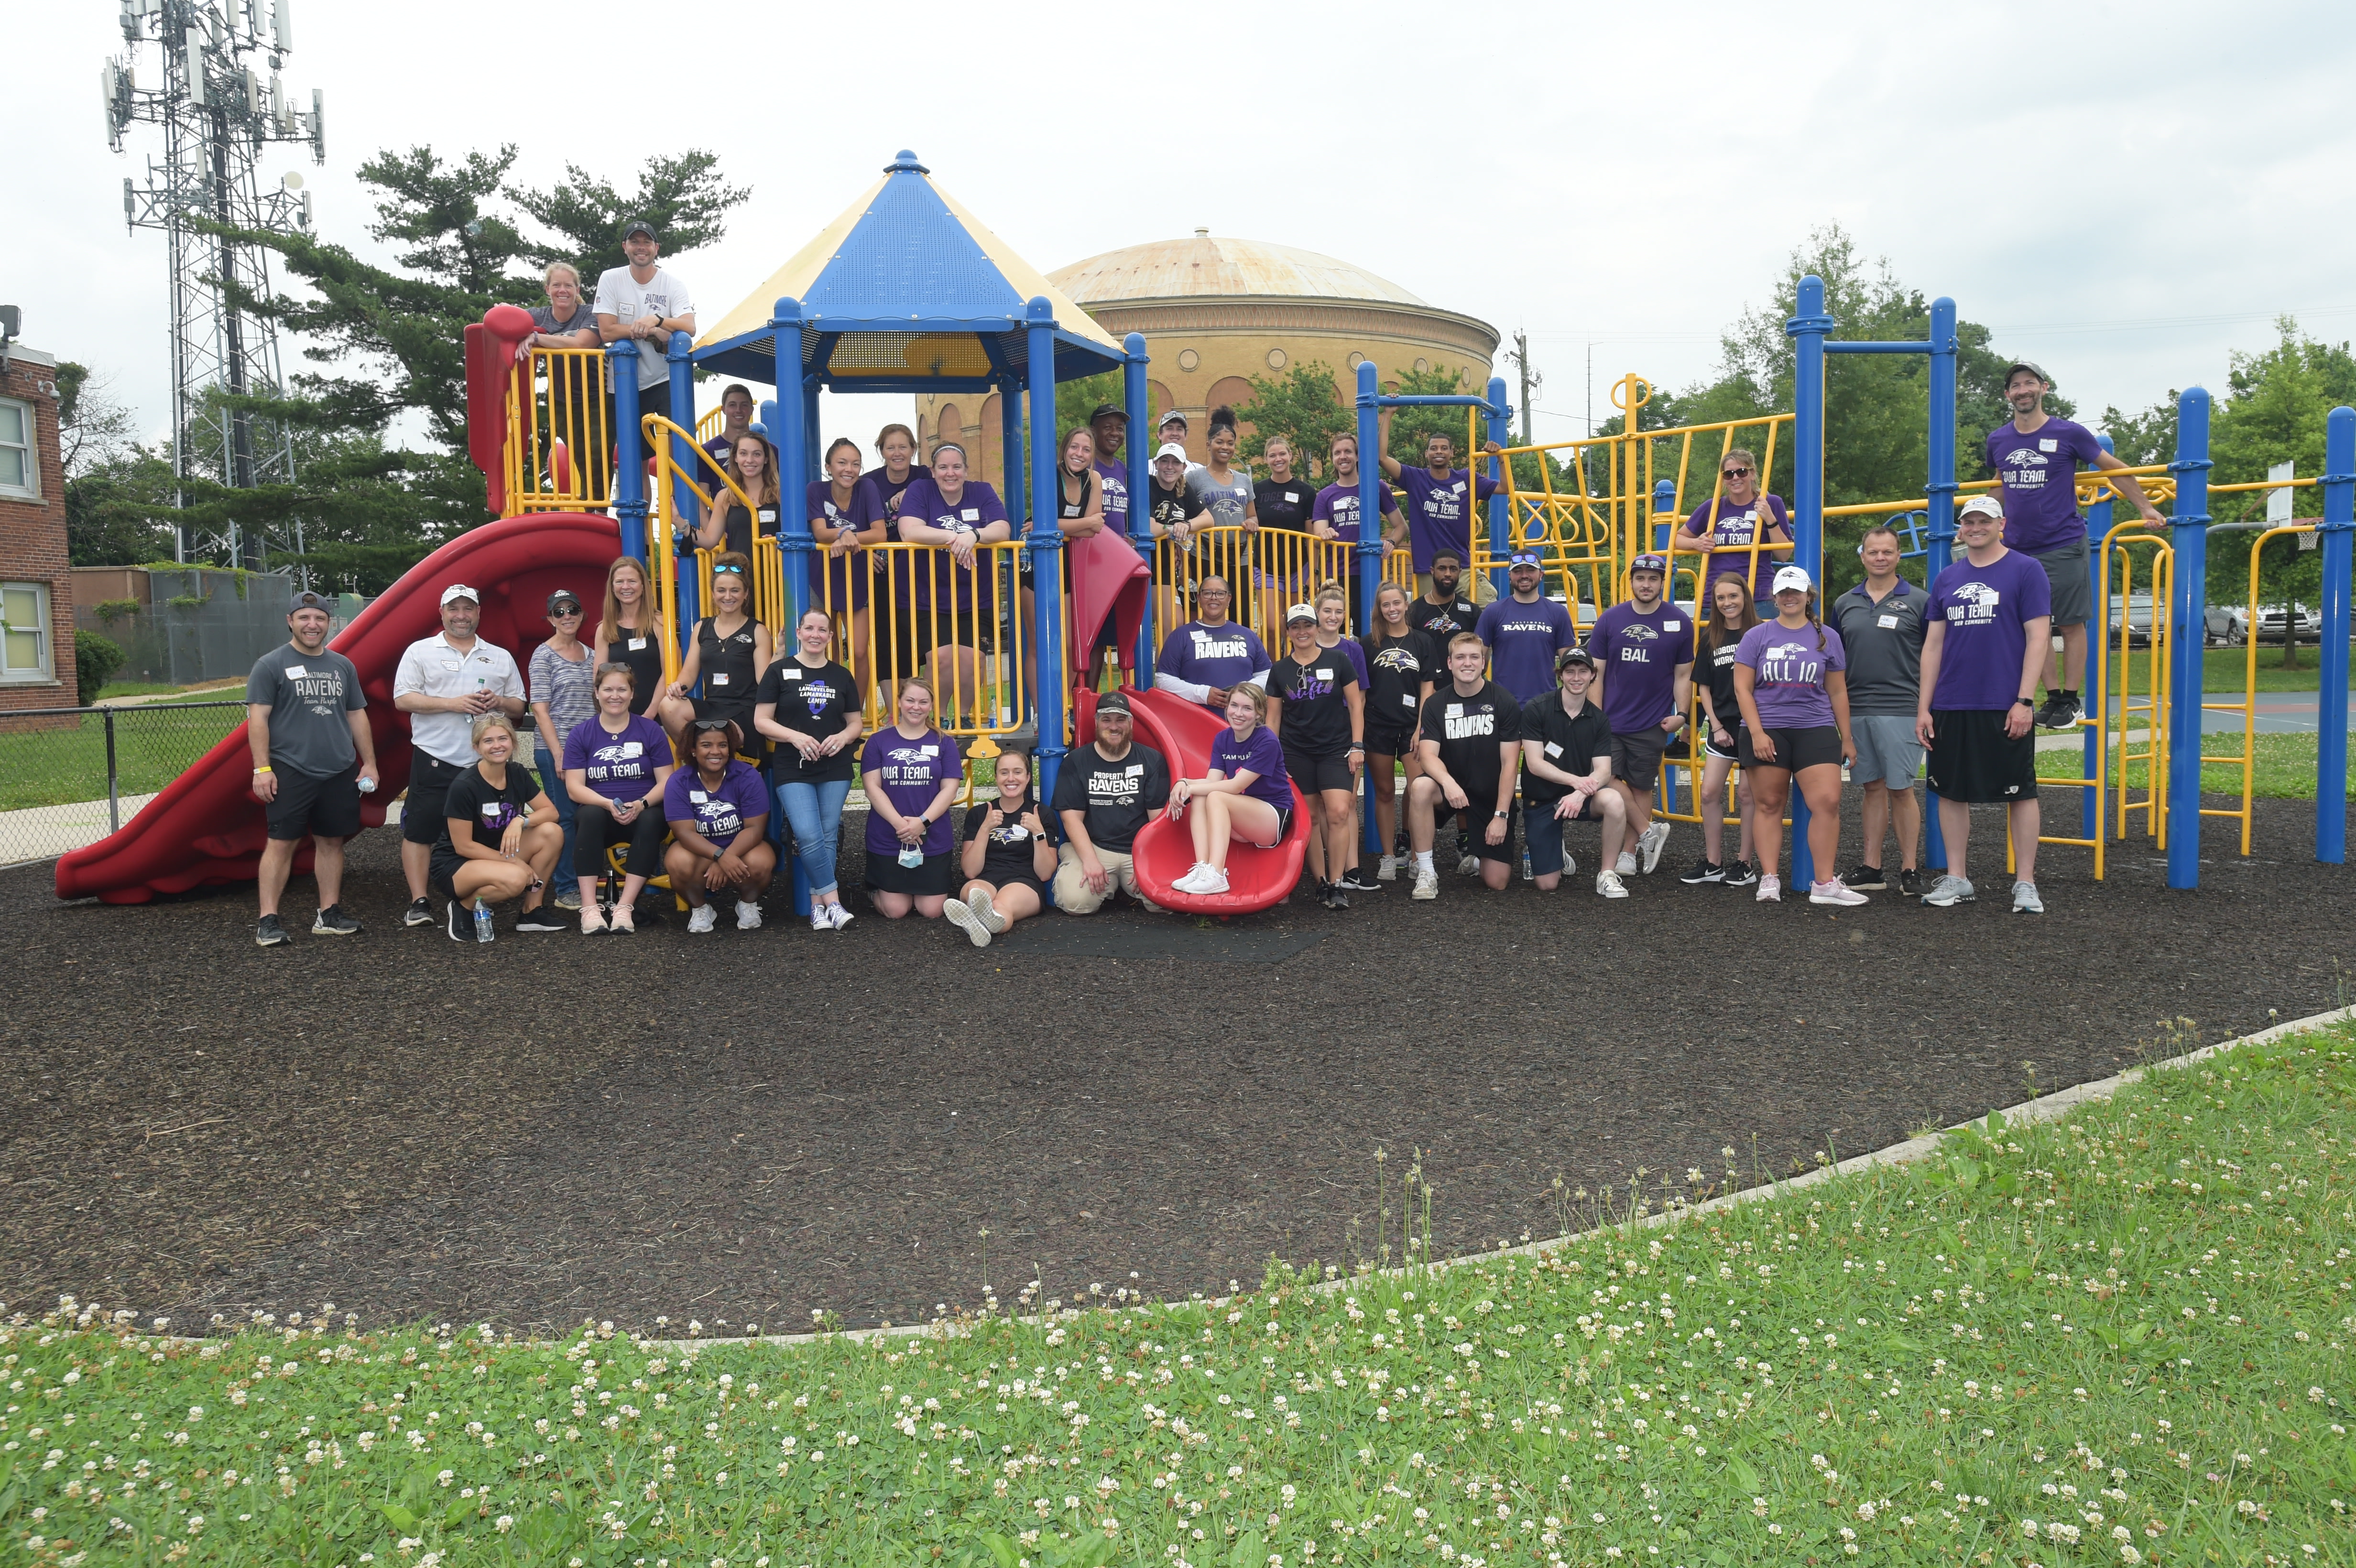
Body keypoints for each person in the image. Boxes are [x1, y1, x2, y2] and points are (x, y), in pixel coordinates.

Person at [1986, 361, 2165, 730]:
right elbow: (1999, 484)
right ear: (2008, 395)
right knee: (2033, 625)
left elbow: (2115, 468)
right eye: (2016, 386)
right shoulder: (1999, 440)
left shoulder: (2068, 433)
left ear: (2044, 388)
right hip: (2018, 548)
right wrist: (1976, 521)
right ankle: (2053, 698)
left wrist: (2145, 506)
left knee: (2068, 622)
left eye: (2029, 384)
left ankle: (2071, 698)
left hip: (2061, 542)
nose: (2023, 390)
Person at [1916, 494, 2053, 912]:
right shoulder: (1947, 579)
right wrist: (1924, 707)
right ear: (1961, 528)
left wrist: (2025, 700)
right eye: (1969, 521)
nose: (1976, 527)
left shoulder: (2026, 570)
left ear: (2001, 524)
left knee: (2020, 792)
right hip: (1952, 702)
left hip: (2003, 701)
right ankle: (1958, 878)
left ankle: (2025, 882)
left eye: (1984, 521)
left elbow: (2039, 638)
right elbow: (1933, 645)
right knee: (1951, 792)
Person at [247, 588, 378, 945]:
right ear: (290, 621)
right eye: (304, 618)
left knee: (332, 842)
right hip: (291, 768)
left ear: (328, 623)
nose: (312, 624)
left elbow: (356, 715)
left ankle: (329, 913)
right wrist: (263, 769)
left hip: (338, 769)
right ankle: (268, 920)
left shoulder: (342, 665)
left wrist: (369, 763)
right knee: (281, 842)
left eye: (319, 618)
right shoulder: (271, 665)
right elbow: (257, 719)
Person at [392, 584, 528, 929]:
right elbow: (403, 699)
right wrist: (452, 704)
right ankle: (419, 901)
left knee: (484, 832)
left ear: (479, 613)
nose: (461, 616)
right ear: (442, 613)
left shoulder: (498, 656)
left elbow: (518, 705)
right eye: (454, 609)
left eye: (468, 609)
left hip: (484, 766)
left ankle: (477, 893)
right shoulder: (420, 651)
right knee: (421, 830)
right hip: (436, 757)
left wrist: (496, 701)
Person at [1734, 566, 1863, 906]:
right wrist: (1758, 733)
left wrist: (1846, 737)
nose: (1790, 597)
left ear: (1809, 596)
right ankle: (1770, 878)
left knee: (1828, 802)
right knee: (1769, 803)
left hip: (1815, 727)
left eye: (1796, 591)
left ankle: (1823, 883)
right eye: (1783, 592)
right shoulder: (1756, 637)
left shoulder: (1827, 637)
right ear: (1774, 598)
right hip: (1768, 728)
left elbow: (1837, 692)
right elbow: (1743, 689)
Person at [1830, 523, 1934, 896]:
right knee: (1871, 788)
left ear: (1898, 555)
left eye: (1887, 551)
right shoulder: (1845, 603)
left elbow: (1935, 655)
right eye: (1873, 552)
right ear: (1862, 556)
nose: (1880, 558)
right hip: (1856, 709)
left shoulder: (1920, 601)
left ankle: (1909, 868)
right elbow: (1833, 659)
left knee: (1901, 788)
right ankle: (1872, 867)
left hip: (1902, 707)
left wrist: (1928, 707)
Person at [1583, 552, 1693, 878]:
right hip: (1611, 721)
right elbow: (1596, 674)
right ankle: (1649, 831)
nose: (1647, 584)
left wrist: (1683, 715)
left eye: (1653, 579)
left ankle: (1629, 853)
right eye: (1641, 578)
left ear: (1663, 582)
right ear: (1630, 581)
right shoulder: (1610, 620)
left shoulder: (1678, 622)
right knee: (1606, 779)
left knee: (1641, 786)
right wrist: (1596, 717)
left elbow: (1683, 676)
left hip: (1652, 721)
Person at [757, 607, 865, 932]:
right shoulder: (779, 671)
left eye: (823, 630)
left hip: (835, 765)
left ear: (831, 637)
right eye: (810, 629)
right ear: (799, 633)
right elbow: (761, 721)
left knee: (828, 834)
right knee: (807, 833)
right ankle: (833, 900)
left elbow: (855, 722)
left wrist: (843, 737)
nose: (816, 635)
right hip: (793, 764)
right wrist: (796, 737)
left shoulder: (842, 675)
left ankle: (818, 907)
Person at [894, 442, 1011, 723]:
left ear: (966, 470)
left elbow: (1003, 527)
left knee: (974, 659)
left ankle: (964, 716)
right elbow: (909, 530)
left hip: (976, 595)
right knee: (941, 658)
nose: (951, 473)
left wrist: (975, 535)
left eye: (957, 467)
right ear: (933, 471)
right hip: (928, 595)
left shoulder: (981, 491)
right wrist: (958, 537)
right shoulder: (920, 490)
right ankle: (941, 718)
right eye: (943, 467)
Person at [430, 712, 567, 942]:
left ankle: (531, 911)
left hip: (498, 853)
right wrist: (513, 861)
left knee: (552, 833)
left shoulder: (517, 774)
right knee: (515, 879)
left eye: (503, 739)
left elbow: (551, 813)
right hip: (457, 864)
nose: (497, 746)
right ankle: (464, 905)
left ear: (513, 743)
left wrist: (520, 821)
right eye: (488, 741)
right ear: (476, 748)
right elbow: (463, 846)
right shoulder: (465, 786)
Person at [563, 663, 677, 934]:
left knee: (652, 818)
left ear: (632, 693)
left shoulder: (650, 730)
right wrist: (606, 804)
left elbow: (667, 781)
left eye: (622, 690)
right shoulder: (582, 734)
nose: (615, 696)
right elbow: (574, 788)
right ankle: (590, 909)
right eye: (608, 689)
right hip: (602, 816)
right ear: (597, 692)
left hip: (643, 811)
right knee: (588, 814)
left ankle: (624, 907)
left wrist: (641, 804)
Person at [1406, 632, 1521, 899]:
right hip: (1451, 789)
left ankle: (1478, 857)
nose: (1467, 663)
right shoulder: (1435, 704)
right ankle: (1425, 872)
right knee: (1420, 787)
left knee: (1497, 882)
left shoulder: (1503, 701)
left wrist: (1501, 816)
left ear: (1484, 663)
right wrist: (1448, 784)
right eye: (1460, 657)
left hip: (1490, 796)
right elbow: (1428, 756)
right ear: (1449, 663)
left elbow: (1510, 765)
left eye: (1474, 657)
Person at [1267, 603, 1366, 909]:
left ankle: (1338, 883)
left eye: (1307, 626)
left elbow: (1356, 705)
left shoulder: (1338, 660)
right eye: (1296, 627)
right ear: (1288, 632)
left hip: (1336, 749)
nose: (1302, 632)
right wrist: (1274, 759)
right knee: (1309, 817)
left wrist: (1358, 745)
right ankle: (1321, 881)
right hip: (1296, 752)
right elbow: (1273, 719)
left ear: (1316, 628)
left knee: (1338, 812)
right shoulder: (1279, 669)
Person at [1050, 689, 1171, 914]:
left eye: (1120, 720)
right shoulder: (1077, 761)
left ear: (1131, 723)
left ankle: (1122, 885)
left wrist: (1148, 861)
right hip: (1095, 847)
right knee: (1075, 902)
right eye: (1106, 720)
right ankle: (1110, 884)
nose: (1113, 727)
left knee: (1166, 901)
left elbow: (1158, 821)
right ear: (1097, 722)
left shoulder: (1152, 760)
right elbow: (1071, 819)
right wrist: (1090, 861)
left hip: (1137, 849)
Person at [1518, 647, 1627, 896]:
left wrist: (1579, 793)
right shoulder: (1537, 708)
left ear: (1592, 675)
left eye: (1583, 671)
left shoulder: (1599, 720)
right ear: (1561, 676)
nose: (1576, 678)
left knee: (1614, 800)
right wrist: (1578, 782)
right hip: (1542, 800)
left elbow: (1603, 770)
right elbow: (1535, 763)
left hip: (1581, 798)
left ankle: (1607, 874)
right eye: (1570, 672)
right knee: (1547, 885)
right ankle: (1557, 853)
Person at [1165, 685, 1294, 895]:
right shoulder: (1223, 739)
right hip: (1244, 817)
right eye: (1234, 705)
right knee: (1202, 795)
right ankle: (1203, 868)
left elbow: (1236, 786)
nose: (1238, 713)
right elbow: (1212, 781)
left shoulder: (1267, 740)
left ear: (1259, 713)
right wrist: (1185, 783)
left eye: (1247, 708)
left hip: (1273, 817)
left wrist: (1191, 786)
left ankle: (1217, 874)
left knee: (1214, 796)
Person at [1678, 573, 1761, 887]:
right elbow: (1705, 688)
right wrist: (1715, 725)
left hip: (1754, 726)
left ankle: (1745, 863)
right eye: (1722, 598)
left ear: (1745, 598)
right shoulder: (1710, 637)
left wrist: (1756, 728)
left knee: (1747, 795)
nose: (1728, 603)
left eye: (1733, 596)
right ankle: (1713, 863)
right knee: (1710, 792)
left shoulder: (1760, 632)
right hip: (1722, 726)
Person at [862, 677, 965, 919]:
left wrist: (922, 823)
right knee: (896, 911)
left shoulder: (944, 742)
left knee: (932, 911)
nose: (916, 707)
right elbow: (872, 788)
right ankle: (875, 891)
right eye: (910, 700)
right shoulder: (878, 742)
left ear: (931, 706)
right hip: (889, 837)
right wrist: (902, 826)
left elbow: (949, 790)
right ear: (898, 702)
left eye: (923, 702)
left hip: (931, 836)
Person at [663, 719, 775, 933]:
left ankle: (748, 904)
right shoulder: (679, 781)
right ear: (693, 750)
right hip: (699, 849)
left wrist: (727, 856)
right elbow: (684, 832)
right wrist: (719, 856)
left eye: (722, 745)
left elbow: (755, 829)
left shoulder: (747, 775)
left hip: (741, 847)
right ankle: (701, 908)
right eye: (706, 745)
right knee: (677, 862)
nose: (716, 752)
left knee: (761, 862)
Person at [1362, 582, 1439, 882]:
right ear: (1379, 609)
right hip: (1378, 726)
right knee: (1383, 792)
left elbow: (1427, 688)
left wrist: (1422, 728)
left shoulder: (1422, 642)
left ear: (1406, 605)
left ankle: (1420, 856)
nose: (1392, 609)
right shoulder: (1368, 644)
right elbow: (1363, 692)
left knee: (1417, 788)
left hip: (1412, 726)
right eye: (1386, 605)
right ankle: (1389, 857)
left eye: (1397, 603)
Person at [1376, 415, 1504, 596]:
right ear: (1426, 453)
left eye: (1444, 448)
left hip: (1462, 567)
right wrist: (1388, 414)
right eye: (1434, 448)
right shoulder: (1416, 479)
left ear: (1452, 453)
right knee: (1431, 621)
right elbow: (1382, 458)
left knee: (1487, 607)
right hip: (1428, 568)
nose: (1439, 452)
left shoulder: (1467, 479)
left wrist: (1501, 457)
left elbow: (1505, 487)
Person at [1026, 425, 1106, 704]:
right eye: (1074, 447)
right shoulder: (1049, 474)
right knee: (1040, 644)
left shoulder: (1094, 479)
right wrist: (1080, 524)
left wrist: (1053, 527)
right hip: (1038, 564)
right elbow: (1047, 525)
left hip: (1071, 565)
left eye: (1086, 449)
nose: (1079, 454)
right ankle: (1041, 715)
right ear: (1064, 449)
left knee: (1073, 644)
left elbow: (1094, 529)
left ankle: (1059, 708)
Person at [527, 587, 596, 909]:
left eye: (572, 610)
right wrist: (559, 753)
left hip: (589, 749)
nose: (567, 616)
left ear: (582, 614)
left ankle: (586, 882)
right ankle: (566, 888)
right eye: (559, 612)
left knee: (588, 815)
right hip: (557, 748)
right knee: (564, 817)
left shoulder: (593, 654)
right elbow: (540, 709)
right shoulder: (543, 655)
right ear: (550, 618)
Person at [945, 749, 1057, 947]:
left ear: (1028, 777)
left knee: (1000, 905)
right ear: (996, 777)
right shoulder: (980, 814)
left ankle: (979, 920)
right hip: (985, 877)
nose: (1010, 778)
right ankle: (981, 922)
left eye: (1018, 772)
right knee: (974, 889)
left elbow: (1045, 873)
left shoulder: (1042, 813)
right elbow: (971, 871)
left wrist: (1038, 833)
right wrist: (985, 828)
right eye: (1004, 772)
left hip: (1023, 881)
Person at [665, 552, 773, 751]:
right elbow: (689, 672)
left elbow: (764, 680)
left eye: (735, 590)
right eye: (721, 590)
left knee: (719, 732)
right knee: (668, 705)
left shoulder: (757, 630)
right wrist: (678, 686)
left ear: (746, 593)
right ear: (713, 594)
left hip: (744, 710)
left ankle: (711, 765)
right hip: (712, 706)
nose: (728, 596)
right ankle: (695, 759)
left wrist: (780, 654)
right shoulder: (701, 627)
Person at [809, 436, 887, 694]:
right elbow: (820, 533)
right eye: (842, 463)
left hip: (857, 576)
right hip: (823, 576)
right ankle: (832, 710)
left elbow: (879, 534)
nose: (849, 470)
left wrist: (847, 537)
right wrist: (844, 534)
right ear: (828, 467)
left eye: (855, 464)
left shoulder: (867, 488)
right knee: (827, 651)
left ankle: (857, 710)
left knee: (859, 650)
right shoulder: (816, 490)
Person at [1672, 449, 1791, 616]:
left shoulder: (1771, 502)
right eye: (1729, 474)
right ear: (1723, 479)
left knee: (1763, 643)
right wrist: (1696, 544)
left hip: (1757, 597)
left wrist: (1770, 519)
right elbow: (1676, 539)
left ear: (1752, 473)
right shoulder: (1713, 507)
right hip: (1717, 597)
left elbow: (1784, 555)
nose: (1735, 478)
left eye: (1741, 472)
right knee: (1712, 643)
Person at [593, 218, 696, 408]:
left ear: (656, 248)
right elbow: (607, 332)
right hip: (624, 380)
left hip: (665, 377)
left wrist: (657, 320)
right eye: (635, 242)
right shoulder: (610, 278)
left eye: (647, 242)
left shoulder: (673, 284)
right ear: (625, 247)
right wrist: (652, 330)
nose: (641, 247)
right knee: (632, 438)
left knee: (675, 435)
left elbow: (690, 327)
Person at [1310, 433, 1406, 634]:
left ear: (1357, 456)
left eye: (1348, 452)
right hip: (1336, 575)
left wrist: (1391, 542)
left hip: (1369, 571)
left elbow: (1401, 527)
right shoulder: (1325, 495)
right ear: (1333, 459)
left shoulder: (1375, 487)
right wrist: (1324, 534)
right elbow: (1318, 538)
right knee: (1333, 633)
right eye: (1337, 453)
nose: (1343, 457)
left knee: (1372, 632)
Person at [594, 555, 692, 730]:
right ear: (612, 587)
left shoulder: (661, 623)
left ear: (642, 586)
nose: (626, 587)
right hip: (618, 720)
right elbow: (600, 678)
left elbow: (670, 671)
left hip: (658, 719)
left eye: (632, 581)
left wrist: (650, 714)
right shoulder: (604, 630)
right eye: (619, 582)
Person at [1152, 575, 1269, 713]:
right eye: (1207, 593)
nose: (1214, 597)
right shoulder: (1180, 636)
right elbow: (1163, 680)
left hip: (1243, 723)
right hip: (1196, 721)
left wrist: (1244, 691)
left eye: (1220, 593)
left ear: (1229, 599)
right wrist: (1203, 694)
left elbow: (1267, 674)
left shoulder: (1248, 635)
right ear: (1199, 599)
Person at [1474, 551, 1581, 703]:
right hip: (1503, 704)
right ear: (1510, 575)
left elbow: (1571, 664)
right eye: (1518, 571)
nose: (1524, 575)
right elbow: (1475, 660)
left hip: (1546, 704)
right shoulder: (1493, 612)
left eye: (1531, 570)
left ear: (1541, 574)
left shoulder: (1558, 613)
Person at [1251, 435, 1318, 636]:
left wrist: (1313, 573)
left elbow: (1310, 535)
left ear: (1290, 456)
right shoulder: (1257, 491)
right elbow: (1251, 519)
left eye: (1282, 454)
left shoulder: (1306, 491)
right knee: (1272, 627)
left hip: (1298, 567)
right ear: (1266, 459)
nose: (1278, 459)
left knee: (1296, 626)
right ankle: (1273, 667)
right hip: (1266, 566)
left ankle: (1297, 665)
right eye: (1272, 455)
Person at [1144, 441, 1208, 644]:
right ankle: (1162, 674)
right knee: (1171, 623)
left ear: (1184, 468)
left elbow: (1208, 519)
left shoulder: (1183, 490)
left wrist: (1187, 525)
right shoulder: (1149, 485)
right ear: (1156, 463)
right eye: (1165, 461)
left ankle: (1164, 673)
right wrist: (1173, 529)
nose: (1170, 467)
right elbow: (1148, 527)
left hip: (1169, 568)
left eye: (1175, 462)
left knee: (1175, 625)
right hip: (1149, 564)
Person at [697, 431, 780, 557]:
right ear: (735, 458)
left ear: (766, 459)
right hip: (740, 574)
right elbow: (709, 541)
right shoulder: (725, 497)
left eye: (757, 454)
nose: (750, 460)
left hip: (776, 575)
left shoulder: (781, 495)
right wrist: (681, 523)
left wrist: (777, 547)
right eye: (743, 454)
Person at [1408, 549, 1479, 644]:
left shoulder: (1472, 612)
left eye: (1453, 569)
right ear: (1432, 571)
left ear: (1460, 572)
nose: (1448, 574)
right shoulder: (1414, 611)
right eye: (1442, 569)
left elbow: (1479, 650)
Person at [1088, 403, 1132, 540]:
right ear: (1093, 431)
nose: (1115, 433)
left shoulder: (1122, 468)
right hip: (1090, 548)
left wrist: (1123, 537)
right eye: (1107, 428)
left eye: (1120, 429)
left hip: (1115, 551)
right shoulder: (1084, 465)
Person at [700, 382, 757, 472]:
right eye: (732, 405)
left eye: (744, 405)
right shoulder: (707, 452)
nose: (738, 410)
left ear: (752, 410)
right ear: (724, 410)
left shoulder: (769, 450)